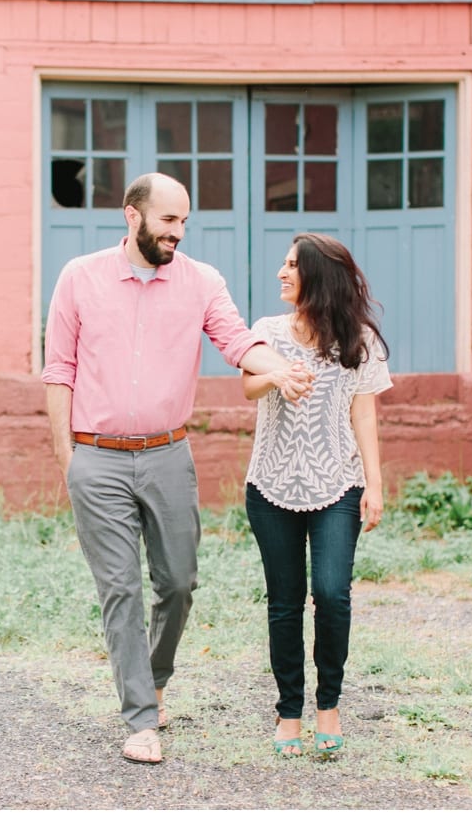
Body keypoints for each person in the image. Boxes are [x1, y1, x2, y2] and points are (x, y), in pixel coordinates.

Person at [42, 172, 313, 765]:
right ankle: (141, 719)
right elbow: (58, 370)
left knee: (179, 584)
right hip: (98, 458)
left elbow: (239, 342)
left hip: (168, 455)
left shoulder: (201, 282)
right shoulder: (79, 279)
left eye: (184, 221)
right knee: (121, 588)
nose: (178, 233)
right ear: (132, 216)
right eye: (168, 221)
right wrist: (70, 461)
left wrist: (281, 368)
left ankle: (156, 680)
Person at [240, 233, 392, 759]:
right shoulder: (266, 332)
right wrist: (277, 377)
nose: (281, 274)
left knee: (331, 594)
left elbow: (364, 412)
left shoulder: (359, 340)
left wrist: (374, 483)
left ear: (318, 277)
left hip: (338, 485)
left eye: (291, 266)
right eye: (282, 264)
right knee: (284, 604)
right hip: (271, 485)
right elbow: (247, 386)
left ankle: (329, 704)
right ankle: (289, 712)